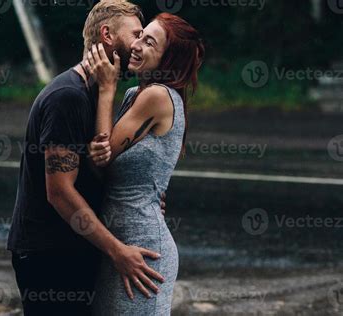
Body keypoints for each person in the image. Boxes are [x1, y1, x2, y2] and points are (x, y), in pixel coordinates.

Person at [6, 1, 168, 315]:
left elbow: (97, 172)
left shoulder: (97, 94)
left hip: (75, 247)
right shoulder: (67, 97)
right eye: (135, 34)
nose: (138, 44)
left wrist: (143, 197)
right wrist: (118, 251)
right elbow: (60, 192)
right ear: (107, 34)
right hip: (49, 254)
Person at [85, 13, 205, 315]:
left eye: (149, 42)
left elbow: (103, 155)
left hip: (142, 249)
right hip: (119, 244)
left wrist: (106, 88)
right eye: (140, 35)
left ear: (167, 59)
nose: (136, 45)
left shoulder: (158, 97)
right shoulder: (135, 95)